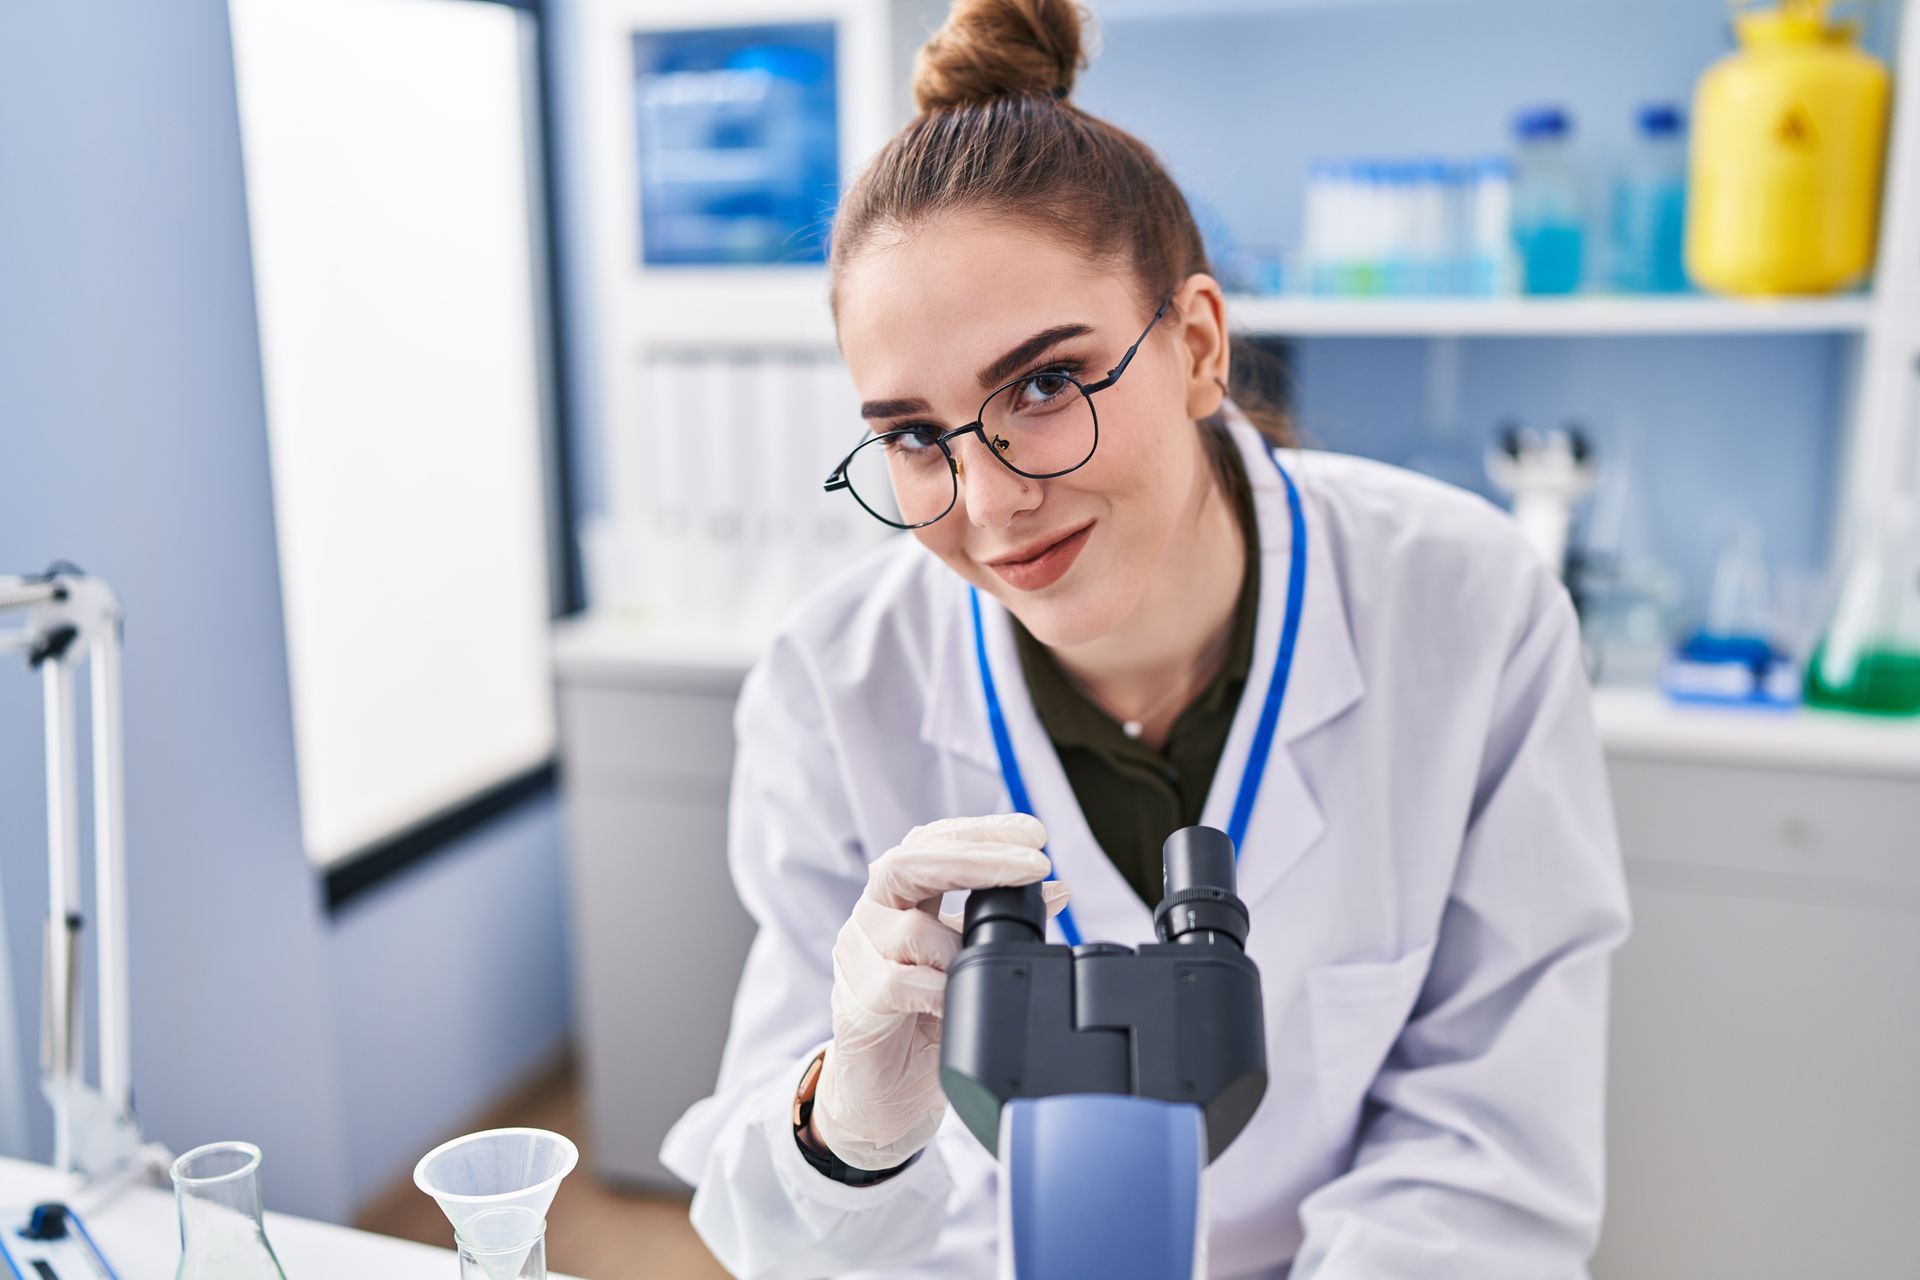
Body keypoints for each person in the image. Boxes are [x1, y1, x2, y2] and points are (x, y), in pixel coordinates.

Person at [661, 2, 1630, 1275]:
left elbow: (1493, 1151)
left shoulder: (1467, 604)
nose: (991, 500)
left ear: (1198, 347)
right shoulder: (829, 684)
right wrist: (849, 1123)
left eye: (1046, 386)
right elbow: (770, 1223)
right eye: (911, 434)